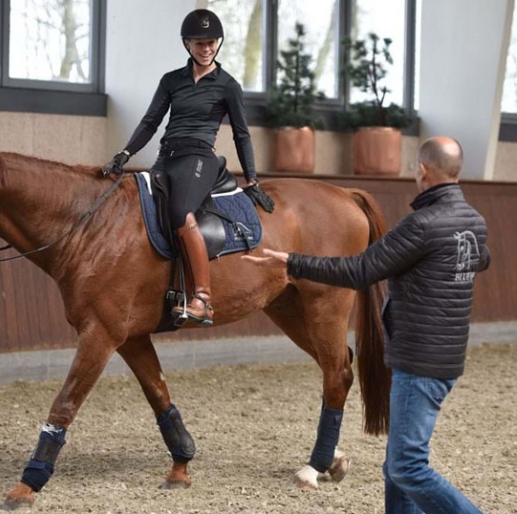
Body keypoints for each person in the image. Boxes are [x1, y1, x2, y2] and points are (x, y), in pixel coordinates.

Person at [242, 136, 490, 514]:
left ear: (422, 171)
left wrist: (292, 262)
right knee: (396, 466)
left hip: (418, 359)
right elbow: (481, 260)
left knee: (407, 467)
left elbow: (359, 270)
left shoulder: (421, 225)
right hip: (446, 358)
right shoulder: (473, 221)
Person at [102, 8, 274, 327]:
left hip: (199, 159)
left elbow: (241, 134)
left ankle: (203, 298)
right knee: (145, 209)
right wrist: (125, 153)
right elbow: (151, 121)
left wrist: (252, 179)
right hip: (166, 156)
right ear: (187, 44)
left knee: (181, 212)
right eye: (199, 43)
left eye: (211, 42)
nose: (206, 48)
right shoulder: (171, 81)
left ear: (217, 44)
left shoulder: (228, 86)